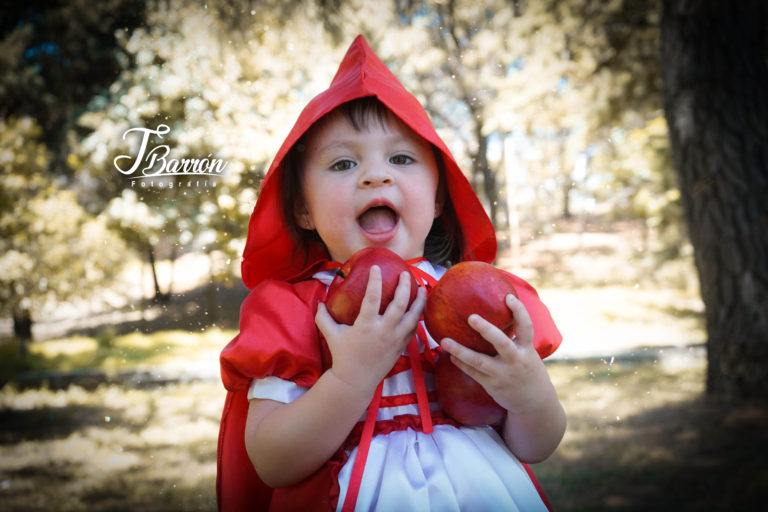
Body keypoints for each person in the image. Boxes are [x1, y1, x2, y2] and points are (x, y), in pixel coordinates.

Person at [217, 35, 566, 512]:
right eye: (343, 162)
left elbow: (537, 446)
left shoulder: (480, 298)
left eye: (401, 159)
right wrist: (350, 379)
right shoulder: (298, 312)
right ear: (302, 208)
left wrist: (529, 395)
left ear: (440, 196)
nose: (375, 175)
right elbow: (273, 462)